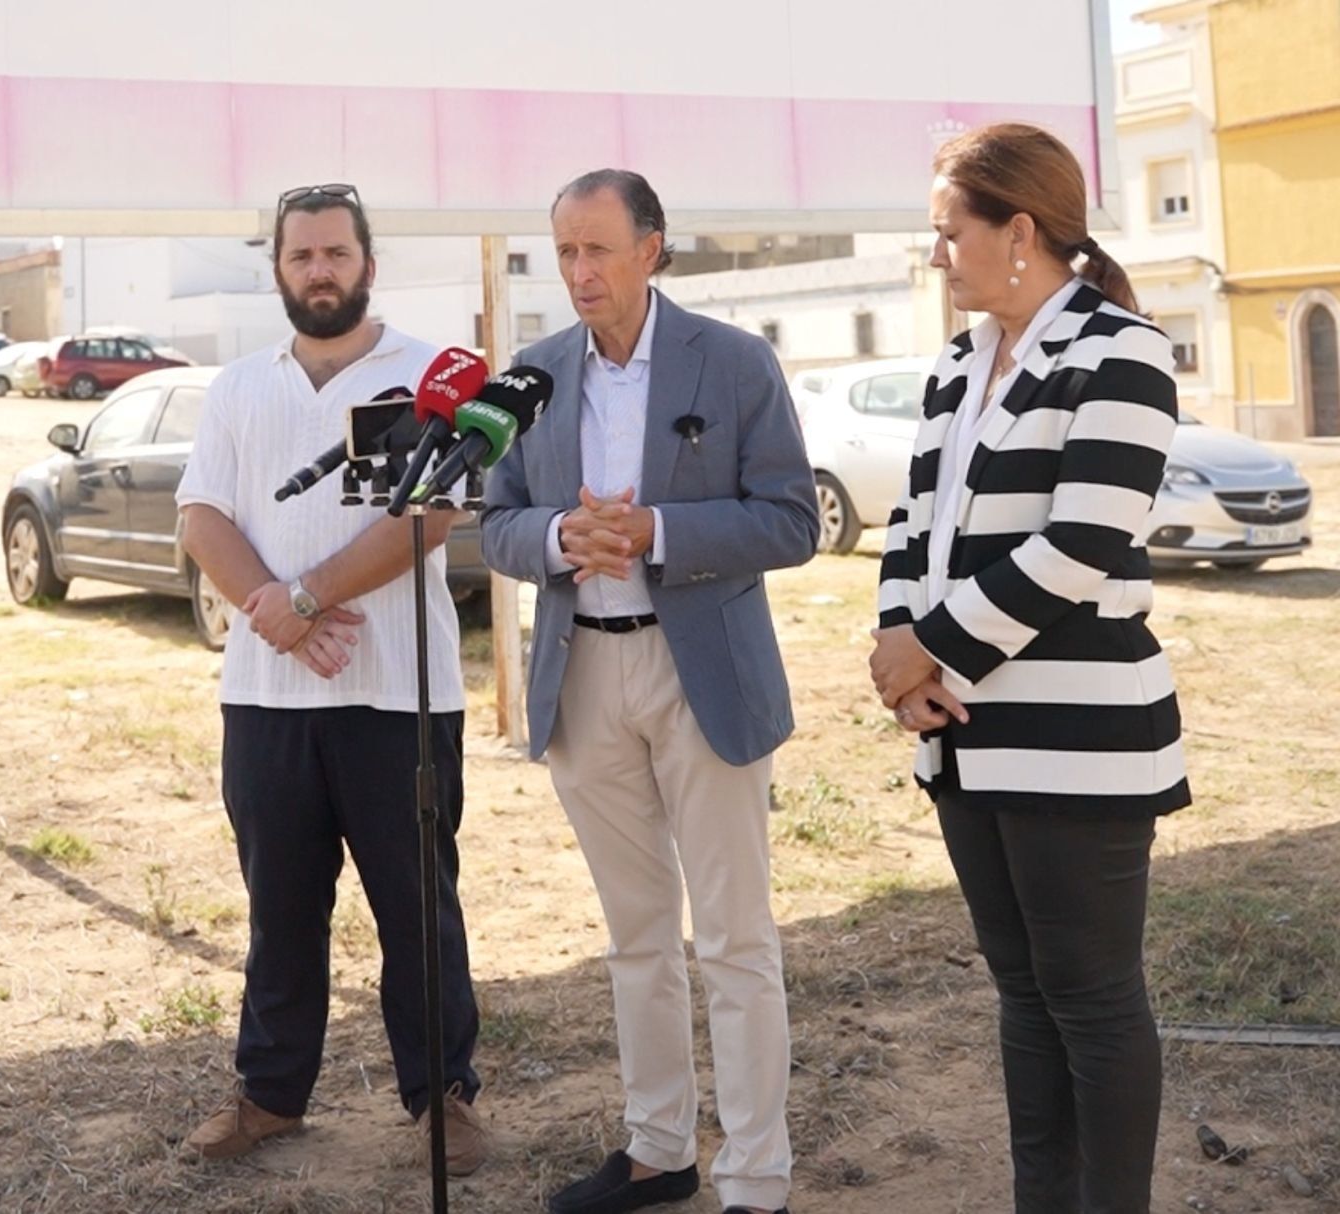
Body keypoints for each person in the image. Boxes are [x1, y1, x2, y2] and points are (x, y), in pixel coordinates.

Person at [481, 169, 818, 1214]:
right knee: (635, 935)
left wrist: (655, 533)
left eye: (596, 250)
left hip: (698, 673)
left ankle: (755, 1179)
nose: (579, 272)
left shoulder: (732, 362)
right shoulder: (529, 376)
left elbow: (791, 520)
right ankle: (658, 1148)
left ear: (652, 249)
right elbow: (495, 519)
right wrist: (554, 536)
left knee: (734, 939)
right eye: (563, 252)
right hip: (581, 671)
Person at [869, 123, 1190, 1213]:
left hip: (1079, 737)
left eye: (946, 231)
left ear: (1017, 230)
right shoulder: (958, 365)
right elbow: (912, 527)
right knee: (1022, 997)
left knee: (1092, 1000)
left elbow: (1080, 544)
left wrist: (930, 644)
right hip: (962, 734)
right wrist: (895, 654)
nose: (936, 254)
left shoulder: (1121, 351)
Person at [175, 183, 486, 1173]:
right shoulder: (236, 387)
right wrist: (276, 607)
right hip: (267, 698)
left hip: (400, 694)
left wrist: (303, 595)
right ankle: (268, 1095)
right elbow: (201, 517)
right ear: (277, 269)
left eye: (336, 253)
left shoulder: (431, 374)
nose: (320, 269)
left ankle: (443, 1094)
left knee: (417, 908)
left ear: (368, 266)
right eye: (302, 254)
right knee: (279, 908)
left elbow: (429, 517)